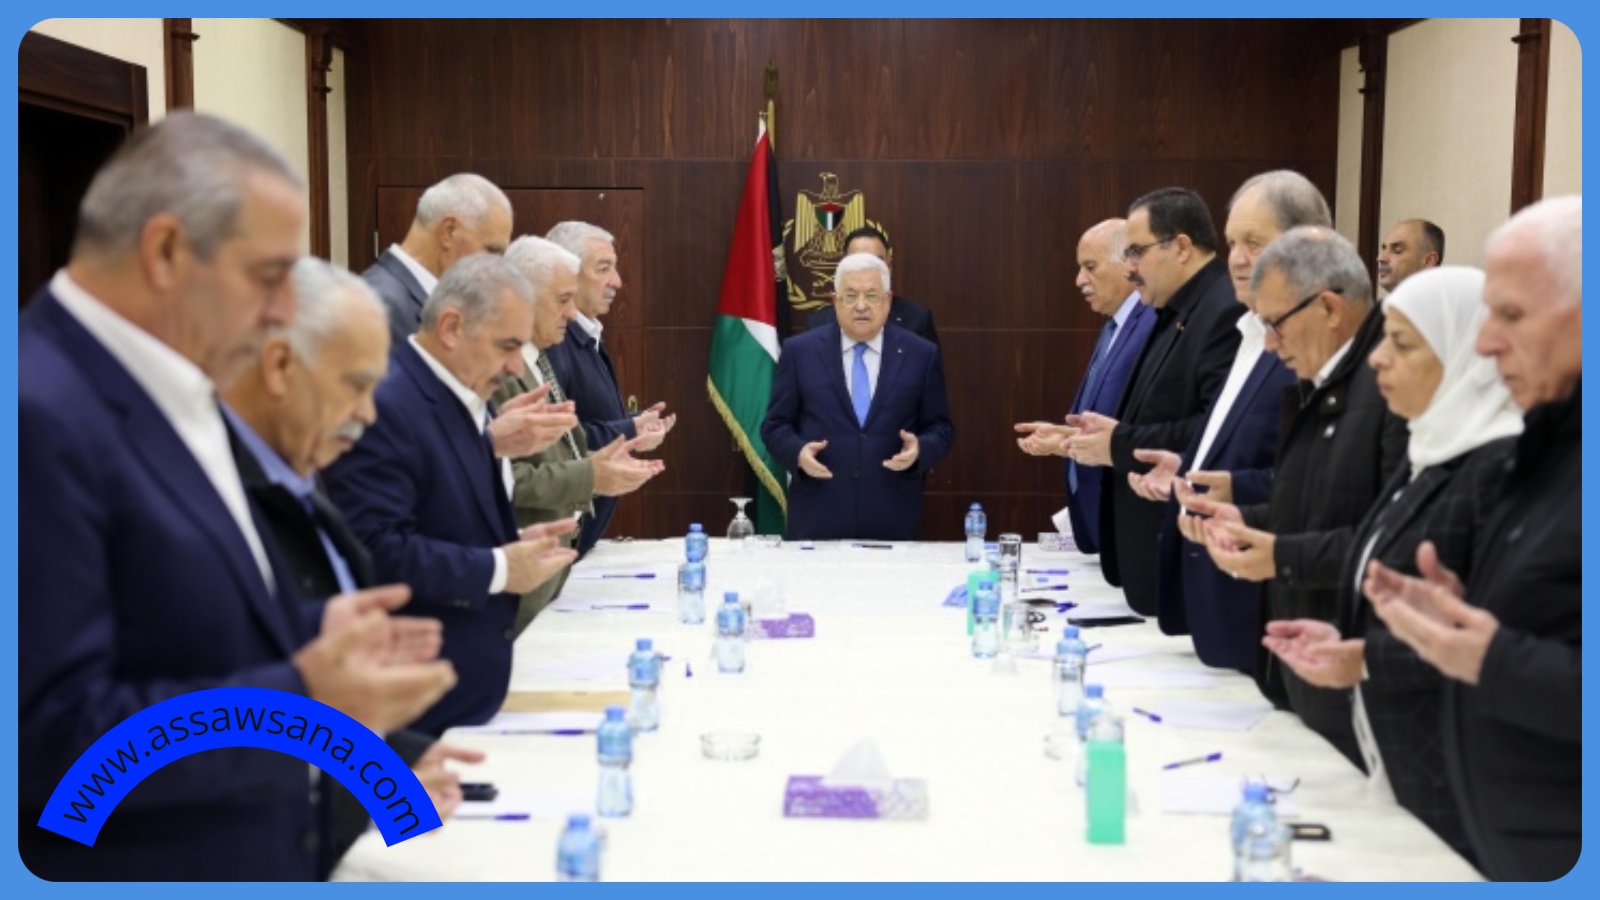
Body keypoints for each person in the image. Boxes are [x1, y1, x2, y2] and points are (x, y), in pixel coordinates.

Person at [19, 112, 455, 881]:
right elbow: (50, 751)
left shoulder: (175, 391)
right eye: (269, 275)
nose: (285, 310)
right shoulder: (36, 413)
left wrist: (307, 627)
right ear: (165, 251)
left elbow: (168, 632)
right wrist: (301, 703)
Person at [219, 257, 485, 874]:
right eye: (355, 385)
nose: (367, 414)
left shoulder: (301, 472)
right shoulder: (217, 488)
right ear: (280, 366)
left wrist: (390, 759)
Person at [1263, 266, 1521, 864]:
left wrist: (1366, 657)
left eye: (1401, 344)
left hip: (1457, 781)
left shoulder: (1496, 467)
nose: (1378, 358)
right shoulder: (1428, 452)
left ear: (1463, 354)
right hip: (1398, 759)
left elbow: (1486, 639)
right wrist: (1353, 644)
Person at [1362, 197, 1581, 881]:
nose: (1485, 345)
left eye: (1511, 315)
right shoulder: (1548, 444)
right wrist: (1467, 607)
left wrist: (1492, 655)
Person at [324, 254, 579, 735]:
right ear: (451, 327)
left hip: (460, 699)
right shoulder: (389, 404)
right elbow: (375, 549)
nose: (514, 366)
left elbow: (444, 511)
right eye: (507, 346)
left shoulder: (458, 394)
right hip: (413, 708)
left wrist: (509, 544)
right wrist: (500, 567)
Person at [1183, 226, 1408, 766]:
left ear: (1328, 309)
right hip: (1305, 667)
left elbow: (1394, 540)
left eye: (1275, 324)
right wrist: (1243, 519)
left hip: (1359, 675)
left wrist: (1280, 555)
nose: (1270, 343)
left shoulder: (1390, 389)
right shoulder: (1319, 380)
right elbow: (1314, 507)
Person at [1127, 172, 1321, 673]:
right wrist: (1188, 466)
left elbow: (1317, 485)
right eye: (1233, 242)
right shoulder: (1250, 331)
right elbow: (1234, 443)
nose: (1236, 258)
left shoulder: (1310, 349)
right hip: (1215, 608)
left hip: (1265, 615)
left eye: (1254, 243)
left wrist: (1232, 486)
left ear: (1307, 244)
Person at [1064, 188, 1241, 616]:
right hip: (1152, 553)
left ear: (1180, 247)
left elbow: (1219, 429)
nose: (1130, 268)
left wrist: (1119, 442)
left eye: (1136, 252)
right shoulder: (1176, 308)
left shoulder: (1223, 310)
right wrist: (1111, 434)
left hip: (1188, 546)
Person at [494, 236, 663, 630]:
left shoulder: (538, 359)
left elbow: (559, 448)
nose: (572, 314)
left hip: (548, 577)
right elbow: (498, 476)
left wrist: (599, 459)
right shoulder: (498, 372)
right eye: (562, 300)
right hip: (514, 582)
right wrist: (589, 476)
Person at [761, 252, 954, 540]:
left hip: (892, 521)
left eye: (871, 296)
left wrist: (920, 450)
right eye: (850, 296)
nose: (861, 306)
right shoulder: (799, 352)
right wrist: (798, 453)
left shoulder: (920, 354)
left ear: (887, 301)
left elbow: (941, 428)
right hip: (818, 521)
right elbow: (775, 426)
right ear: (835, 301)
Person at [1014, 218, 1154, 554]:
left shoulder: (1151, 323)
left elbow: (1142, 424)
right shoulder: (1113, 326)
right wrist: (1065, 437)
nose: (1079, 280)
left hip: (1130, 519)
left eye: (1090, 267)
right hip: (1099, 521)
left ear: (1128, 265)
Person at [543, 221, 675, 555]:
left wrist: (634, 424)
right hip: (555, 541)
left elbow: (586, 417)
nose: (617, 281)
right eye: (603, 269)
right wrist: (630, 429)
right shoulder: (555, 342)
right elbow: (557, 441)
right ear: (567, 274)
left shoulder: (587, 335)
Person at [363, 173, 513, 345]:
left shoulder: (435, 300)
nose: (497, 267)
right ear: (449, 232)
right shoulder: (377, 307)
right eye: (492, 251)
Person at [805, 226, 940, 345]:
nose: (866, 268)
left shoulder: (917, 320)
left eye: (875, 262)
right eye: (857, 262)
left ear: (889, 267)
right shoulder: (818, 323)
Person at [1376, 218, 1444, 295]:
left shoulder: (1448, 301)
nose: (1381, 258)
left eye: (1397, 250)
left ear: (1429, 261)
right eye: (1384, 249)